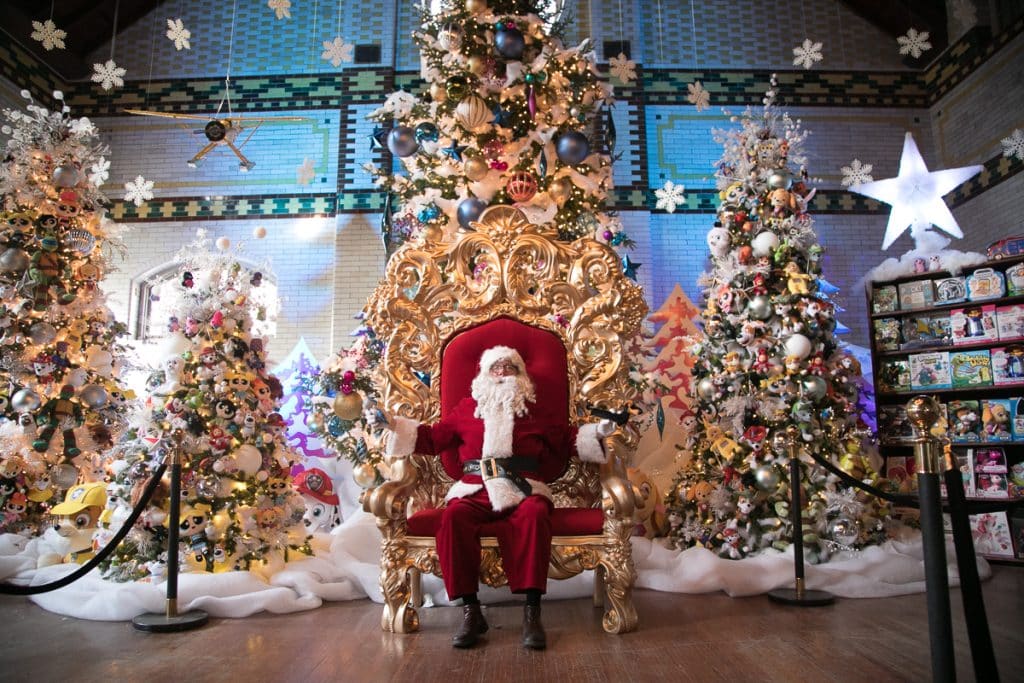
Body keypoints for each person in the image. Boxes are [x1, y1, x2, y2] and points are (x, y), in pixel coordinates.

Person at [370, 345, 615, 650]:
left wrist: (600, 431)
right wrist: (393, 425)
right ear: (484, 375)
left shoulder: (535, 411)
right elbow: (433, 438)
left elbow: (568, 440)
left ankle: (532, 612)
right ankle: (472, 613)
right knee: (453, 516)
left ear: (521, 375)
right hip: (475, 487)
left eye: (509, 368)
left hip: (524, 488)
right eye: (495, 368)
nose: (501, 373)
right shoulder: (466, 409)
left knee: (535, 514)